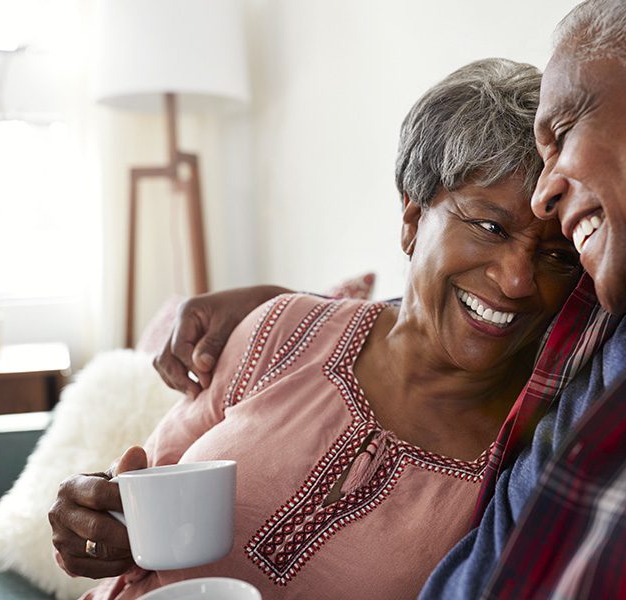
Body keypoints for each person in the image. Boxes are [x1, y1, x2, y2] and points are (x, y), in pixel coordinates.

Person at [158, 1, 626, 598]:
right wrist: (269, 311)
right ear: (412, 215)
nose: (545, 196)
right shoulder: (618, 322)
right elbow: (422, 319)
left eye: (564, 130)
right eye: (491, 223)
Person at [48, 58, 585, 600]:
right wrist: (93, 523)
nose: (518, 280)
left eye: (557, 255)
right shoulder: (284, 328)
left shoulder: (531, 459)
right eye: (490, 227)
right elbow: (138, 496)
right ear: (413, 217)